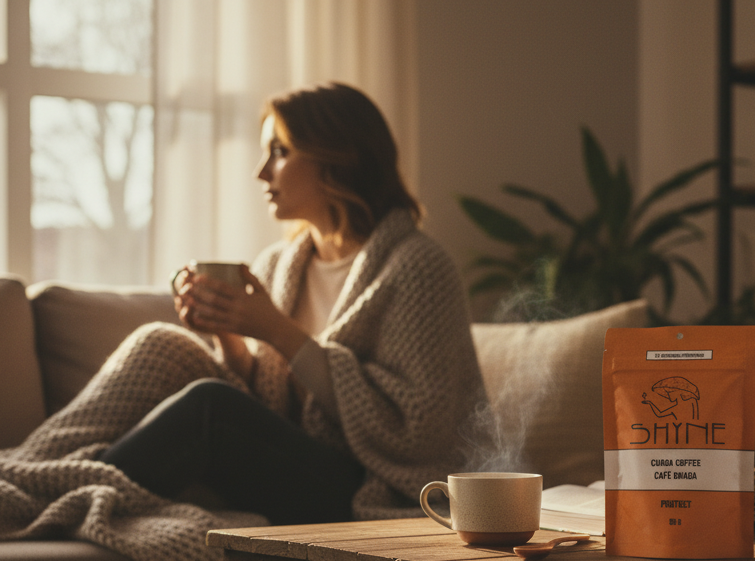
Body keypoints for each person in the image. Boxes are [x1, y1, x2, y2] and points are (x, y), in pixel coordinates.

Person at [98, 81, 487, 525]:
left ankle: (85, 487)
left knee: (210, 408)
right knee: (159, 345)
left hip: (376, 485)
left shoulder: (418, 268)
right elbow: (269, 411)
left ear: (338, 158)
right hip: (298, 470)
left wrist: (277, 331)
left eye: (280, 152)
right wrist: (228, 335)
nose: (261, 172)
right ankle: (71, 477)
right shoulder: (279, 265)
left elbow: (420, 429)